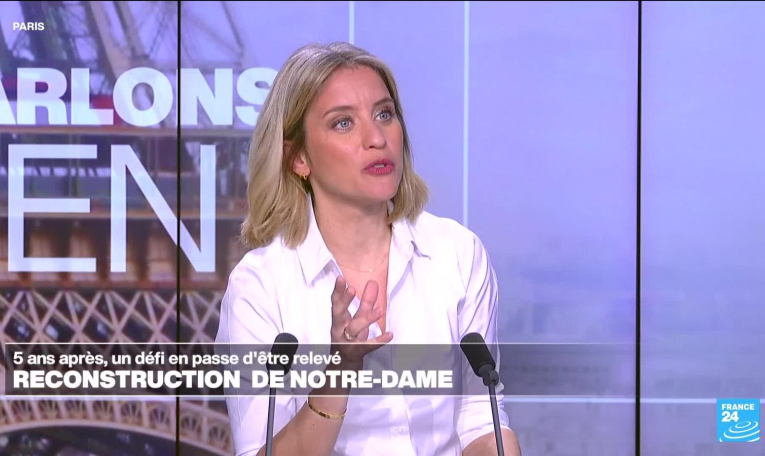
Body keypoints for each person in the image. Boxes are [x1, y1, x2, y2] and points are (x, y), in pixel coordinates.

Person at [216, 42, 522, 456]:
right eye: (343, 123)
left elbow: (481, 423)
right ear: (298, 157)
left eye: (384, 114)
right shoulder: (260, 286)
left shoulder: (457, 254)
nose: (376, 138)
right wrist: (340, 368)